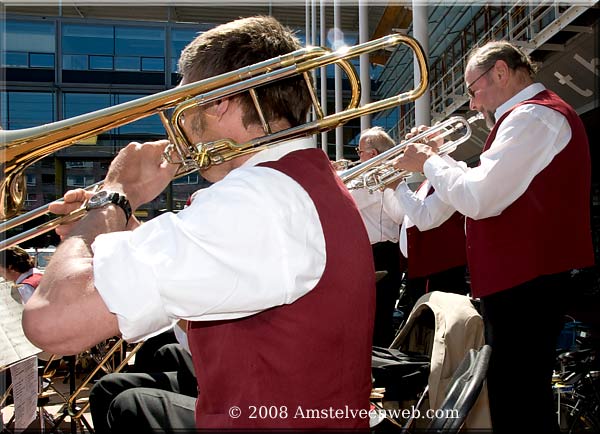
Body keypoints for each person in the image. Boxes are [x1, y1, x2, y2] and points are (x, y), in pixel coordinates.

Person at [23, 16, 375, 431]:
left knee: (127, 402)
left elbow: (49, 323)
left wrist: (115, 196)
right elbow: (202, 297)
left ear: (217, 101)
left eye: (186, 102)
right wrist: (100, 233)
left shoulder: (260, 199)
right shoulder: (296, 181)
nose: (182, 126)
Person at [394, 40, 594, 433]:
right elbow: (477, 187)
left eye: (472, 89)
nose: (471, 104)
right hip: (521, 280)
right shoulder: (526, 118)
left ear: (500, 73)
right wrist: (439, 157)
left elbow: (479, 198)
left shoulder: (532, 117)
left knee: (517, 399)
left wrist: (429, 160)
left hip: (528, 282)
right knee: (514, 395)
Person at [393, 126, 469, 302]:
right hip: (421, 270)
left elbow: (424, 219)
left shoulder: (457, 171)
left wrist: (398, 185)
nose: (413, 149)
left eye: (420, 144)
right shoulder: (427, 182)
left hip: (440, 272)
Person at [349, 126, 405, 347]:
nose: (358, 156)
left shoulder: (373, 179)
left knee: (377, 317)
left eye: (360, 151)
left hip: (380, 253)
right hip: (377, 252)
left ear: (372, 154)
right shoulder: (368, 177)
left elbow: (348, 201)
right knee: (375, 315)